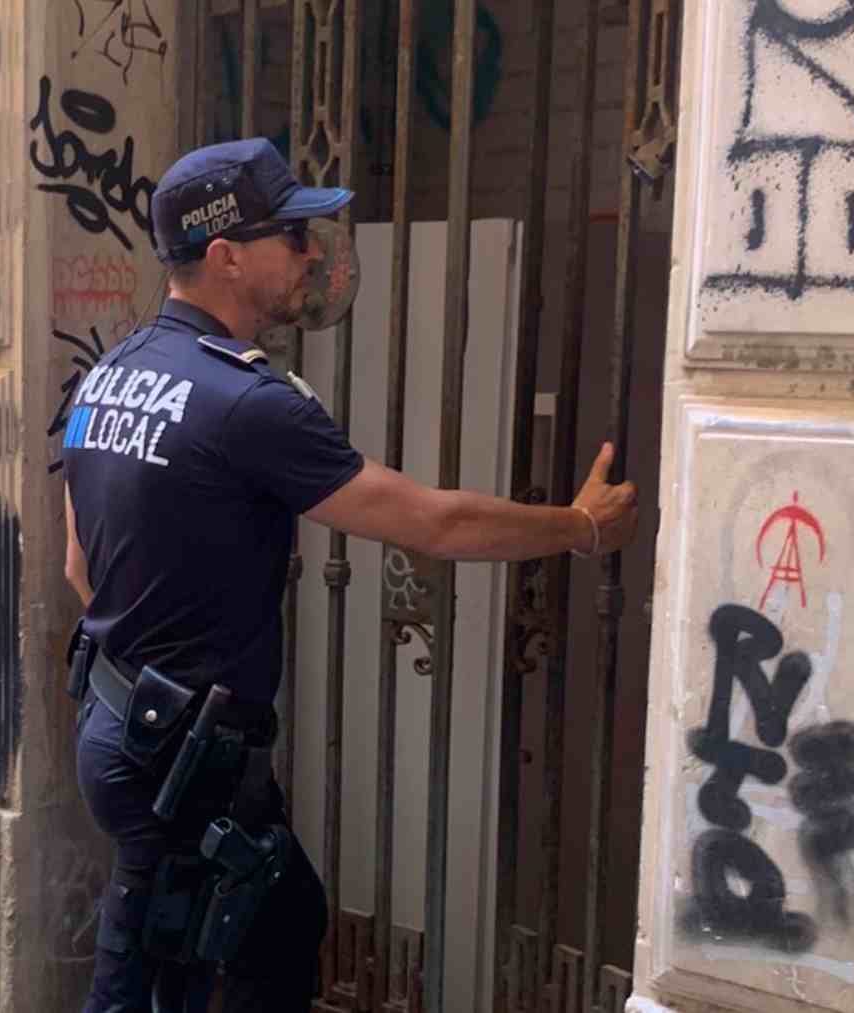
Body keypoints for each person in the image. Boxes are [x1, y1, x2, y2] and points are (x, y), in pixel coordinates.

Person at [61, 137, 641, 1012]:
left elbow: (80, 564)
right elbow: (434, 523)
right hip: (183, 752)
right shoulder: (248, 401)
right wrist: (580, 526)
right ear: (225, 256)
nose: (310, 255)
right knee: (189, 962)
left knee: (243, 927)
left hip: (120, 726)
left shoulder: (111, 373)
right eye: (290, 237)